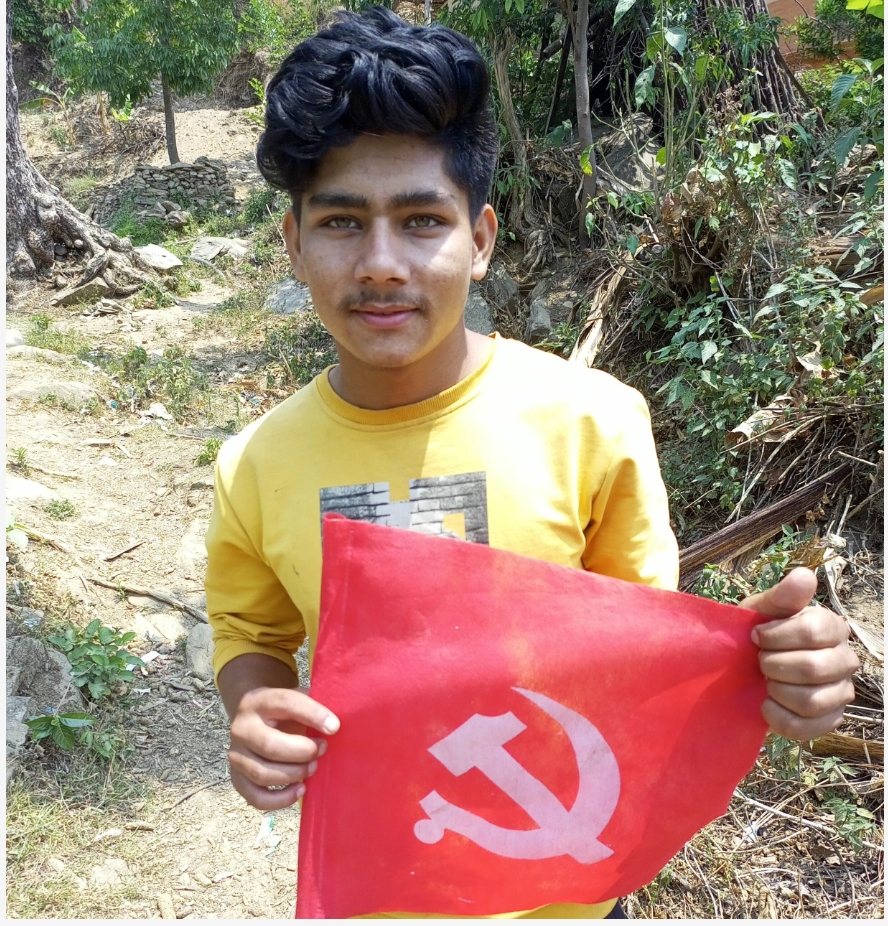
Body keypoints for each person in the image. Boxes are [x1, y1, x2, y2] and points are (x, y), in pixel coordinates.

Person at [205, 7, 860, 919]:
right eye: (343, 221)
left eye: (422, 220)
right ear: (294, 242)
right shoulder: (253, 465)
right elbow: (250, 634)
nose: (382, 263)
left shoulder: (591, 423)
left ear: (480, 240)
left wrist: (772, 673)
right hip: (377, 887)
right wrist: (256, 706)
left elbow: (640, 657)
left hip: (566, 895)